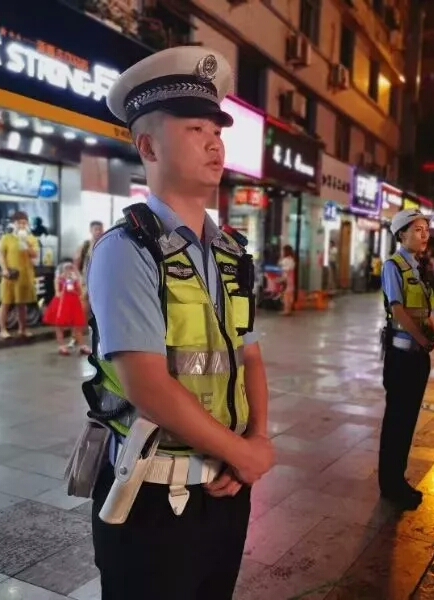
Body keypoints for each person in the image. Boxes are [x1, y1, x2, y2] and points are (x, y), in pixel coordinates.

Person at [85, 46, 274, 599]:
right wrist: (244, 453)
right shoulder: (127, 250)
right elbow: (147, 385)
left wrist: (256, 439)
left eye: (216, 130)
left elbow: (249, 355)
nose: (215, 143)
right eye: (195, 129)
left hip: (226, 491)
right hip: (152, 503)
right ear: (148, 146)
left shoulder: (231, 252)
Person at [379, 209, 434, 511]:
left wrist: (432, 334)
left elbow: (424, 310)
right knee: (397, 421)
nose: (424, 234)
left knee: (408, 421)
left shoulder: (419, 267)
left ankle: (398, 479)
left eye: (426, 229)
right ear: (401, 234)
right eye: (417, 229)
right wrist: (421, 338)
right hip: (402, 356)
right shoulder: (394, 266)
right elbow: (398, 309)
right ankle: (390, 485)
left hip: (418, 356)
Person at [0, 211, 38, 339]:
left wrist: (25, 243)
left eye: (24, 223)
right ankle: (2, 330)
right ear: (14, 224)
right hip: (10, 274)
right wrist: (4, 269)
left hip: (25, 275)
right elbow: (1, 255)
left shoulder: (31, 239)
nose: (21, 225)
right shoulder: (6, 238)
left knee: (22, 304)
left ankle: (22, 329)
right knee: (6, 302)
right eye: (19, 223)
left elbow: (35, 255)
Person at [43, 261, 91, 355]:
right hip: (62, 304)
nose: (69, 271)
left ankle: (82, 345)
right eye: (67, 269)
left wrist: (76, 281)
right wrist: (64, 286)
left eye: (71, 269)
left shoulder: (75, 280)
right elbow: (57, 293)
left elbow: (80, 292)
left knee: (77, 326)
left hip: (74, 304)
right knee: (59, 326)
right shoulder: (59, 279)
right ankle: (62, 346)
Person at [279, 244, 296, 315]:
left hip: (286, 278)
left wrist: (282, 279)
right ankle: (289, 310)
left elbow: (284, 269)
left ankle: (286, 310)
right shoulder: (292, 259)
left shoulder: (285, 260)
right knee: (289, 295)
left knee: (286, 295)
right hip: (291, 279)